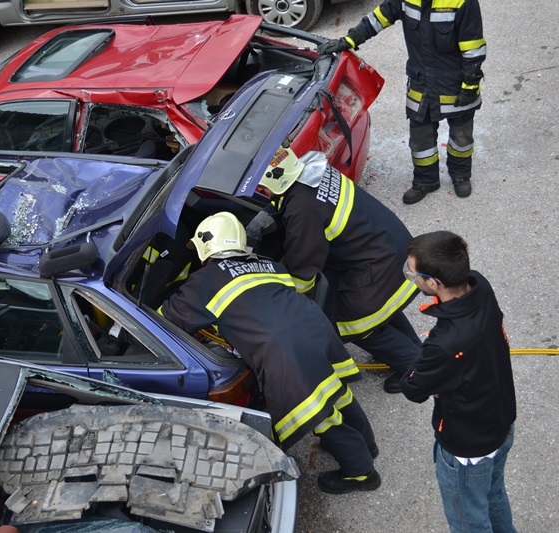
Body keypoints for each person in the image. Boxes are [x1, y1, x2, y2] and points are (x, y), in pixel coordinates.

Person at [158, 211, 381, 494]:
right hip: (316, 330)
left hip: (285, 351)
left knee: (321, 416)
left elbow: (164, 319)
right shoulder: (268, 264)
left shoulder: (205, 281)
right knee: (338, 392)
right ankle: (368, 445)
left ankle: (361, 473)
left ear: (206, 249)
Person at [246, 147, 422, 394]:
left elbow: (304, 266)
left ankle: (415, 371)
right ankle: (418, 354)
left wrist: (291, 299)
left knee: (353, 323)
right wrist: (267, 214)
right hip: (395, 252)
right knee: (381, 310)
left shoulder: (303, 211)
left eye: (264, 188)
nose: (263, 192)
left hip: (379, 269)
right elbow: (286, 199)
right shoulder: (314, 173)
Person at [401, 230, 516, 532]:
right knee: (494, 495)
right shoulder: (480, 286)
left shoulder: (445, 344)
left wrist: (427, 352)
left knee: (469, 523)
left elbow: (412, 387)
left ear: (434, 283)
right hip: (501, 423)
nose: (410, 277)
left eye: (412, 274)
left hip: (468, 450)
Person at [318, 0, 486, 204]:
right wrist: (351, 39)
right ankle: (426, 181)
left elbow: (474, 47)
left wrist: (470, 85)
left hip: (457, 84)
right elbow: (379, 17)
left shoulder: (462, 2)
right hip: (422, 83)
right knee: (420, 137)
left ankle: (460, 174)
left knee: (462, 136)